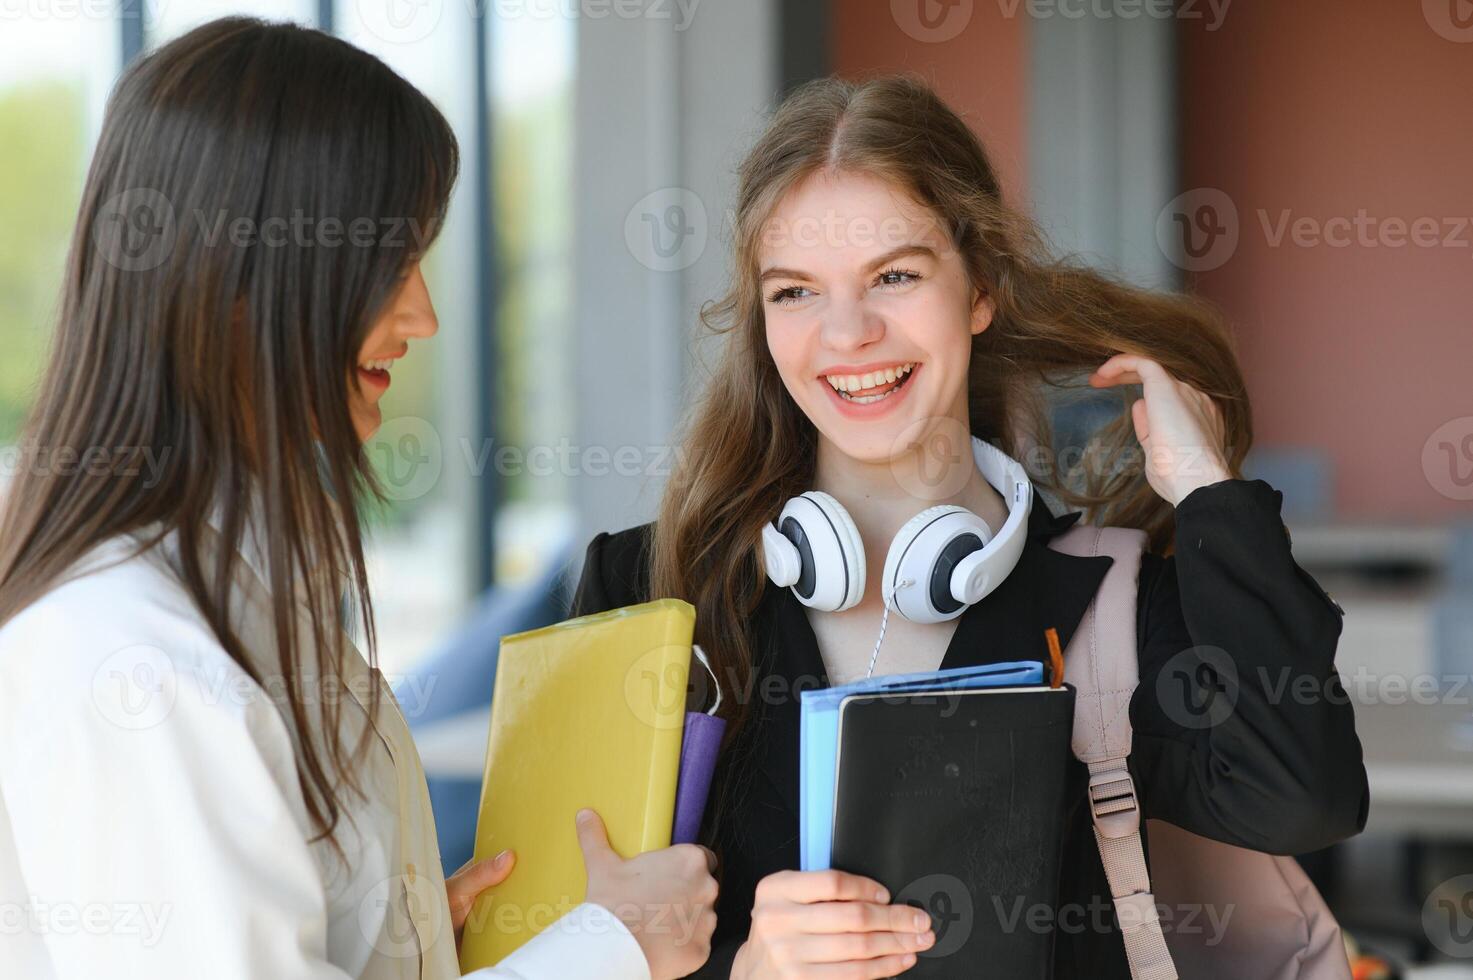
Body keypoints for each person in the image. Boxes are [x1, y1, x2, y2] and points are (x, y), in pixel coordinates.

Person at [571, 75, 1368, 979]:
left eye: (895, 276)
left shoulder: (1110, 607)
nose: (847, 333)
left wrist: (1205, 491)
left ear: (979, 290)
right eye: (794, 292)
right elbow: (556, 944)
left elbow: (1304, 798)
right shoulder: (650, 590)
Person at [0, 18, 714, 980]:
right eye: (390, 262)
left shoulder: (219, 592)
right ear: (240, 278)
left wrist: (405, 934)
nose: (420, 315)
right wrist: (608, 950)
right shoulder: (136, 656)